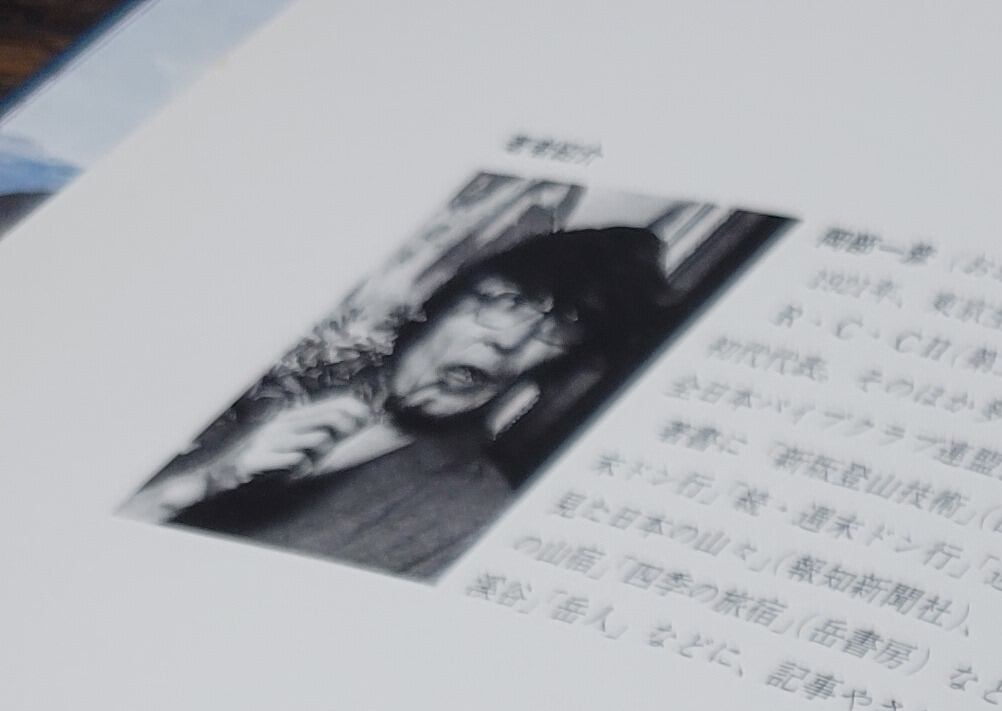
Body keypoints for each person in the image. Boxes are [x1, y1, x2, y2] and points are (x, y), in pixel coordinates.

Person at [127, 225, 670, 582]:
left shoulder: (468, 518)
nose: (509, 340)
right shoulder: (260, 353)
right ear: (443, 297)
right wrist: (197, 484)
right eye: (507, 302)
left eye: (560, 329)